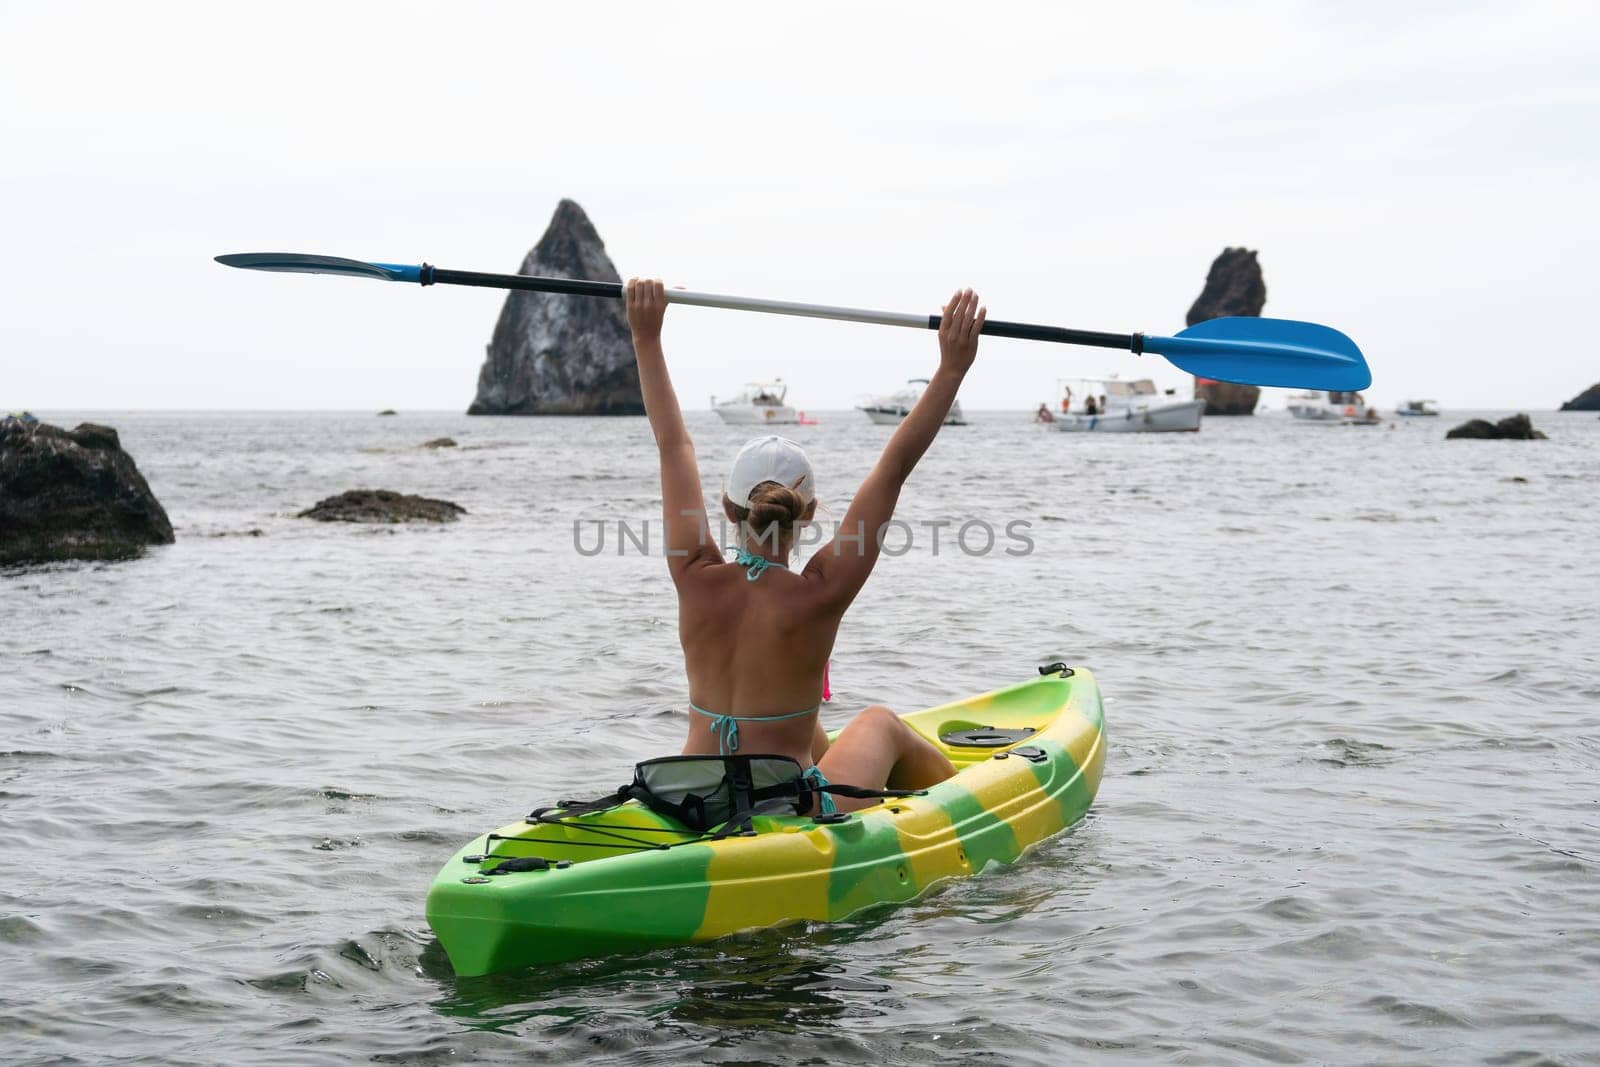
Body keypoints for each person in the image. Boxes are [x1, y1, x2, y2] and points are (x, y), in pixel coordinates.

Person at [623, 279, 977, 811]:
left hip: (691, 795)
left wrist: (645, 337)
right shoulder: (822, 590)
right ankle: (973, 803)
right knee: (878, 721)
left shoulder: (693, 572)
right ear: (808, 514)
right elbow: (894, 466)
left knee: (809, 724)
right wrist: (952, 367)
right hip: (786, 804)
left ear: (726, 509)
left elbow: (673, 443)